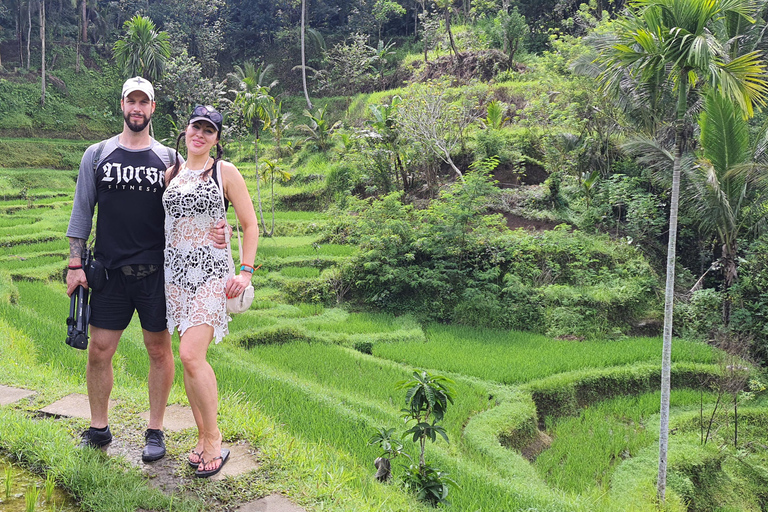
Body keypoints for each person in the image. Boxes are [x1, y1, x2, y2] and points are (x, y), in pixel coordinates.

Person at [66, 77, 229, 462]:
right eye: (131, 101)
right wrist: (75, 263)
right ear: (122, 105)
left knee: (159, 350)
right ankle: (99, 427)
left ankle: (155, 429)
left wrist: (219, 230)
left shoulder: (169, 160)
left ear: (152, 107)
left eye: (144, 102)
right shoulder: (97, 155)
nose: (137, 108)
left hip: (157, 274)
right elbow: (82, 211)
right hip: (108, 271)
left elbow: (198, 202)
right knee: (99, 350)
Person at [164, 105, 258, 478]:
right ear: (185, 131)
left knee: (190, 354)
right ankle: (202, 438)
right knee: (189, 361)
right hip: (175, 277)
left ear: (216, 139)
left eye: (208, 130)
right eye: (195, 127)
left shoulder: (224, 171)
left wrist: (245, 271)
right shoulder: (172, 173)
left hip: (210, 274)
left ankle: (215, 438)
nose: (200, 134)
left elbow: (249, 224)